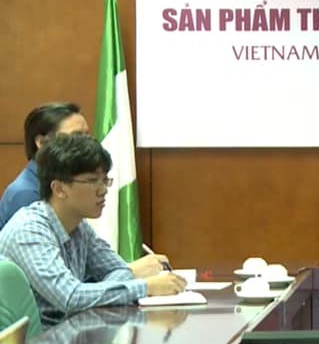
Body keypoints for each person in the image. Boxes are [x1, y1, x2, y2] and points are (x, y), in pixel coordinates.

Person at [0, 134, 186, 328]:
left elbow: (119, 269)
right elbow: (71, 297)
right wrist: (145, 287)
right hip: (36, 342)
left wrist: (102, 290)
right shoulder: (30, 231)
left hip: (69, 332)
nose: (103, 190)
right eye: (91, 181)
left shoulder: (79, 225)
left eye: (104, 180)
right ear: (59, 189)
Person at [0, 103, 168, 278]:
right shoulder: (26, 196)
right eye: (77, 137)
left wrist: (123, 273)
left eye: (88, 136)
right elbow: (64, 286)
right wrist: (132, 274)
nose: (87, 144)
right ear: (42, 143)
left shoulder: (76, 218)